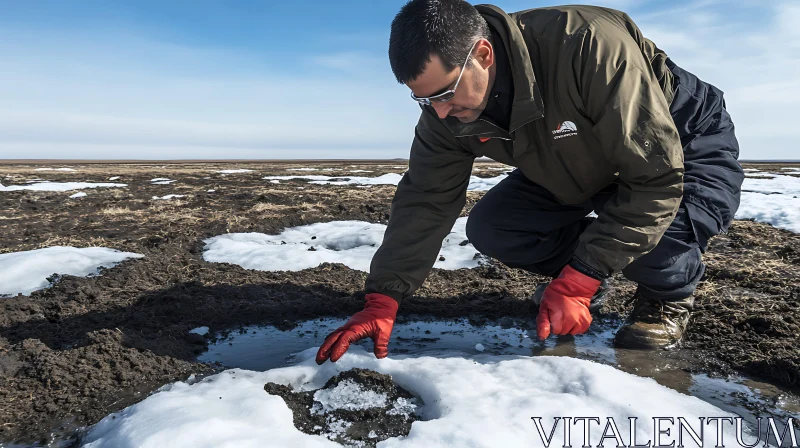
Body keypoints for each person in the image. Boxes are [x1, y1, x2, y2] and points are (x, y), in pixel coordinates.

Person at [315, 0, 744, 364]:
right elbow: (426, 199)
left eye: (445, 93)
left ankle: (666, 295)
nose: (439, 112)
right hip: (574, 159)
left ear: (482, 54)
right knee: (494, 228)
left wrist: (583, 276)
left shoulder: (588, 45)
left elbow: (654, 180)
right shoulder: (444, 115)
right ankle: (582, 277)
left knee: (654, 244)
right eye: (424, 99)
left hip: (680, 149)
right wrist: (384, 298)